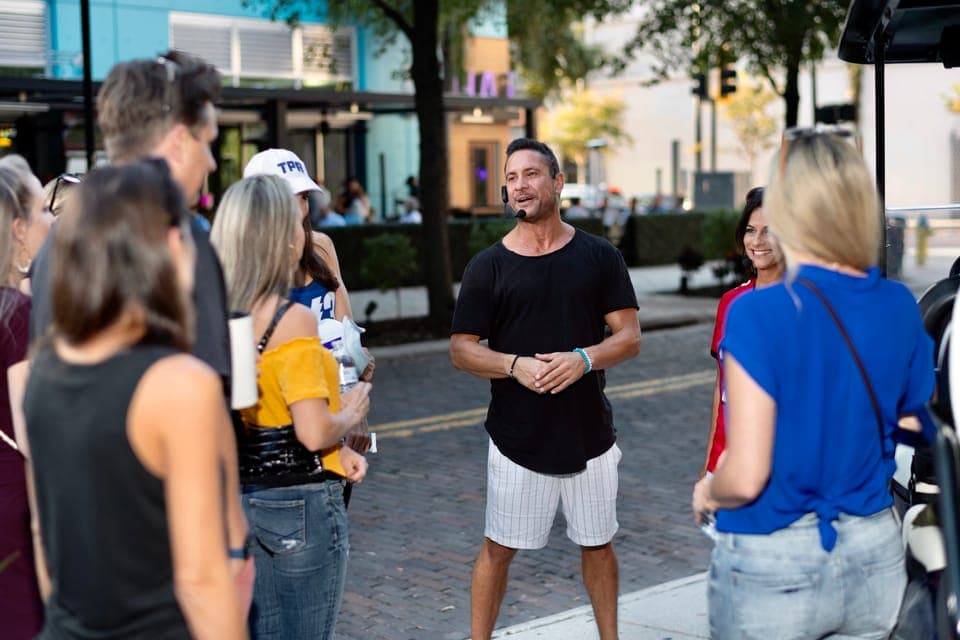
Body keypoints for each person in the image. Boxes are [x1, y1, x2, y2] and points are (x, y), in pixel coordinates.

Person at [692, 129, 935, 639]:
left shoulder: (758, 312)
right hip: (873, 552)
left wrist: (711, 489)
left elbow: (748, 472)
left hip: (774, 556)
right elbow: (916, 419)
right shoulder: (896, 303)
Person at [22, 160, 246, 639]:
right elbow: (200, 578)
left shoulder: (44, 368)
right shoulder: (180, 384)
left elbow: (42, 532)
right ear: (167, 244)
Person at [450, 138, 641, 640]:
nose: (520, 186)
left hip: (590, 436)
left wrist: (585, 359)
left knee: (598, 544)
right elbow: (462, 349)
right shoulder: (487, 266)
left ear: (557, 182)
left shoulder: (599, 256)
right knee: (498, 547)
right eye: (511, 178)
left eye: (531, 174)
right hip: (516, 440)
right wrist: (513, 365)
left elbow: (628, 337)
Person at [210, 174, 371, 640]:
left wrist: (342, 452)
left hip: (242, 498)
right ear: (281, 237)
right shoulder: (292, 318)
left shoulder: (221, 311)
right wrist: (351, 411)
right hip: (300, 502)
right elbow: (312, 432)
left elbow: (250, 409)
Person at [243, 148, 374, 452]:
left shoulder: (322, 248)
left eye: (303, 197)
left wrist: (355, 411)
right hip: (275, 431)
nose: (299, 207)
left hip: (333, 416)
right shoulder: (243, 267)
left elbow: (346, 334)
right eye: (288, 196)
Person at [699, 186, 784, 478]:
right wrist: (709, 463)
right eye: (750, 230)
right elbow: (721, 388)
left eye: (769, 231)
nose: (757, 241)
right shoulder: (730, 302)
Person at [0, 156, 50, 639]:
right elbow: (34, 433)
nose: (51, 218)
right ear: (18, 228)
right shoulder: (17, 312)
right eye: (41, 210)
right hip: (15, 509)